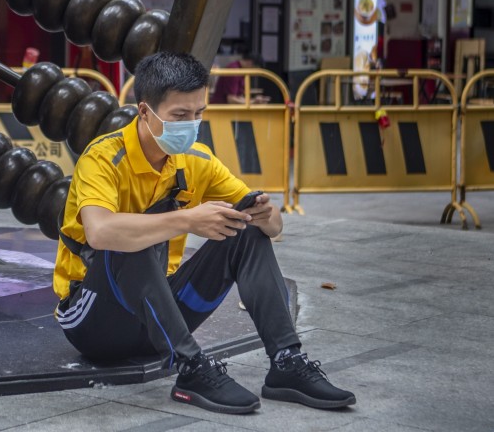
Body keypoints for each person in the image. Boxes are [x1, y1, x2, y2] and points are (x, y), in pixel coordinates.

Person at [53, 52, 355, 414]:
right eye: (180, 115)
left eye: (198, 114)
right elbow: (100, 232)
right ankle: (192, 368)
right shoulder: (103, 158)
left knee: (243, 229)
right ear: (145, 112)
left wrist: (264, 214)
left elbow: (274, 228)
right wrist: (188, 220)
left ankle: (286, 363)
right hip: (97, 321)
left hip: (162, 312)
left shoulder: (198, 160)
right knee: (128, 236)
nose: (191, 124)